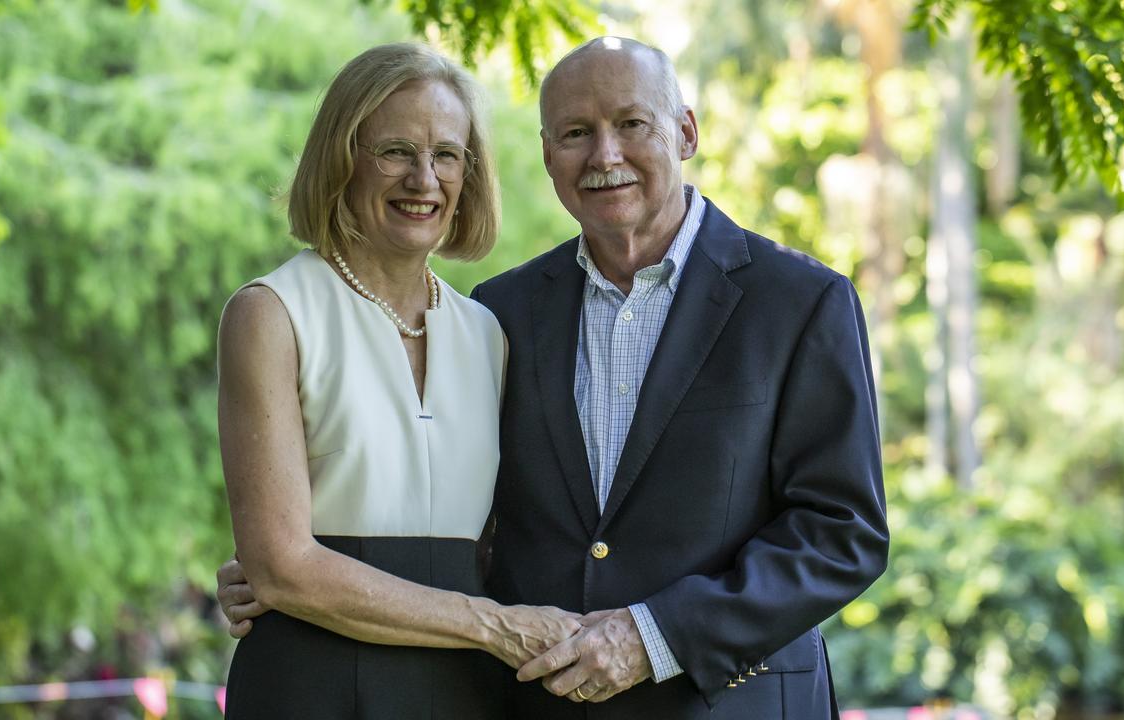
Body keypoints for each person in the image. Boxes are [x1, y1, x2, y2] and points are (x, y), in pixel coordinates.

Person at [220, 37, 889, 719]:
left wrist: (654, 636)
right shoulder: (505, 313)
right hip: (524, 700)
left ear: (685, 131)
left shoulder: (801, 302)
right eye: (576, 133)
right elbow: (482, 520)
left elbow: (843, 532)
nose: (605, 155)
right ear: (547, 156)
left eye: (631, 124)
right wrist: (290, 568)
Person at [214, 43, 581, 720]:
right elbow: (282, 566)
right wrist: (492, 625)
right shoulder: (271, 314)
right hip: (310, 683)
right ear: (340, 158)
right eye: (395, 151)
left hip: (465, 692)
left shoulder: (488, 334)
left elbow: (510, 541)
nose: (424, 179)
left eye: (446, 154)